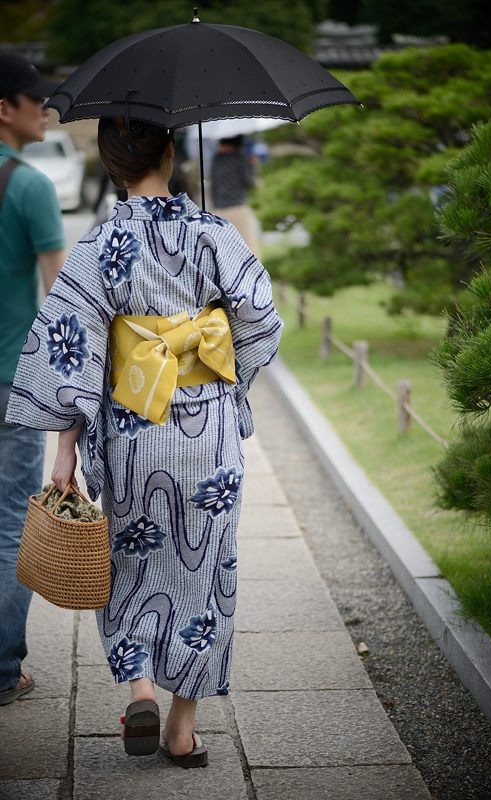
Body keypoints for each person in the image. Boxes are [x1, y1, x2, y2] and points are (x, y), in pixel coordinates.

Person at [6, 116, 283, 766]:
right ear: (169, 149)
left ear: (109, 162)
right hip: (207, 431)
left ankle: (139, 688)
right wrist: (223, 374)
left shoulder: (99, 242)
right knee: (206, 569)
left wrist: (66, 448)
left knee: (132, 561)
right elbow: (259, 318)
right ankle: (183, 732)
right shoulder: (216, 233)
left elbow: (70, 351)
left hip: (134, 432)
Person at [0, 53, 65, 706]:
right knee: (10, 524)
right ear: (4, 108)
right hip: (8, 384)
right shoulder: (28, 185)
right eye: (34, 98)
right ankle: (1, 669)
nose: (45, 107)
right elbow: (60, 303)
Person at [211, 135, 261, 257]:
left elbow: (214, 186)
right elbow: (249, 182)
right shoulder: (241, 157)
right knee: (249, 249)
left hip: (219, 209)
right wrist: (253, 165)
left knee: (225, 252)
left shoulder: (216, 159)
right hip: (238, 207)